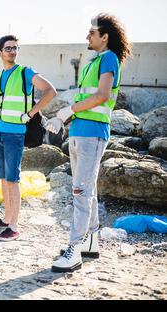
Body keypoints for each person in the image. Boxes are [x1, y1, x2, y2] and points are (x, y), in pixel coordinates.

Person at [46, 13, 132, 272]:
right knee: (85, 189)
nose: (87, 36)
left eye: (91, 33)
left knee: (81, 192)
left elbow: (102, 96)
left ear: (104, 37)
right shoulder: (94, 61)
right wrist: (67, 118)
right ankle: (90, 241)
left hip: (92, 133)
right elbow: (90, 96)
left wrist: (66, 112)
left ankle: (74, 250)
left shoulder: (108, 59)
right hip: (81, 132)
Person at [0, 35, 57, 241]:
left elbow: (50, 91)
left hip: (16, 133)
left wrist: (31, 113)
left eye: (15, 48)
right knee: (3, 177)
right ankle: (6, 218)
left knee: (13, 179)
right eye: (8, 48)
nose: (12, 51)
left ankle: (14, 226)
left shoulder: (25, 72)